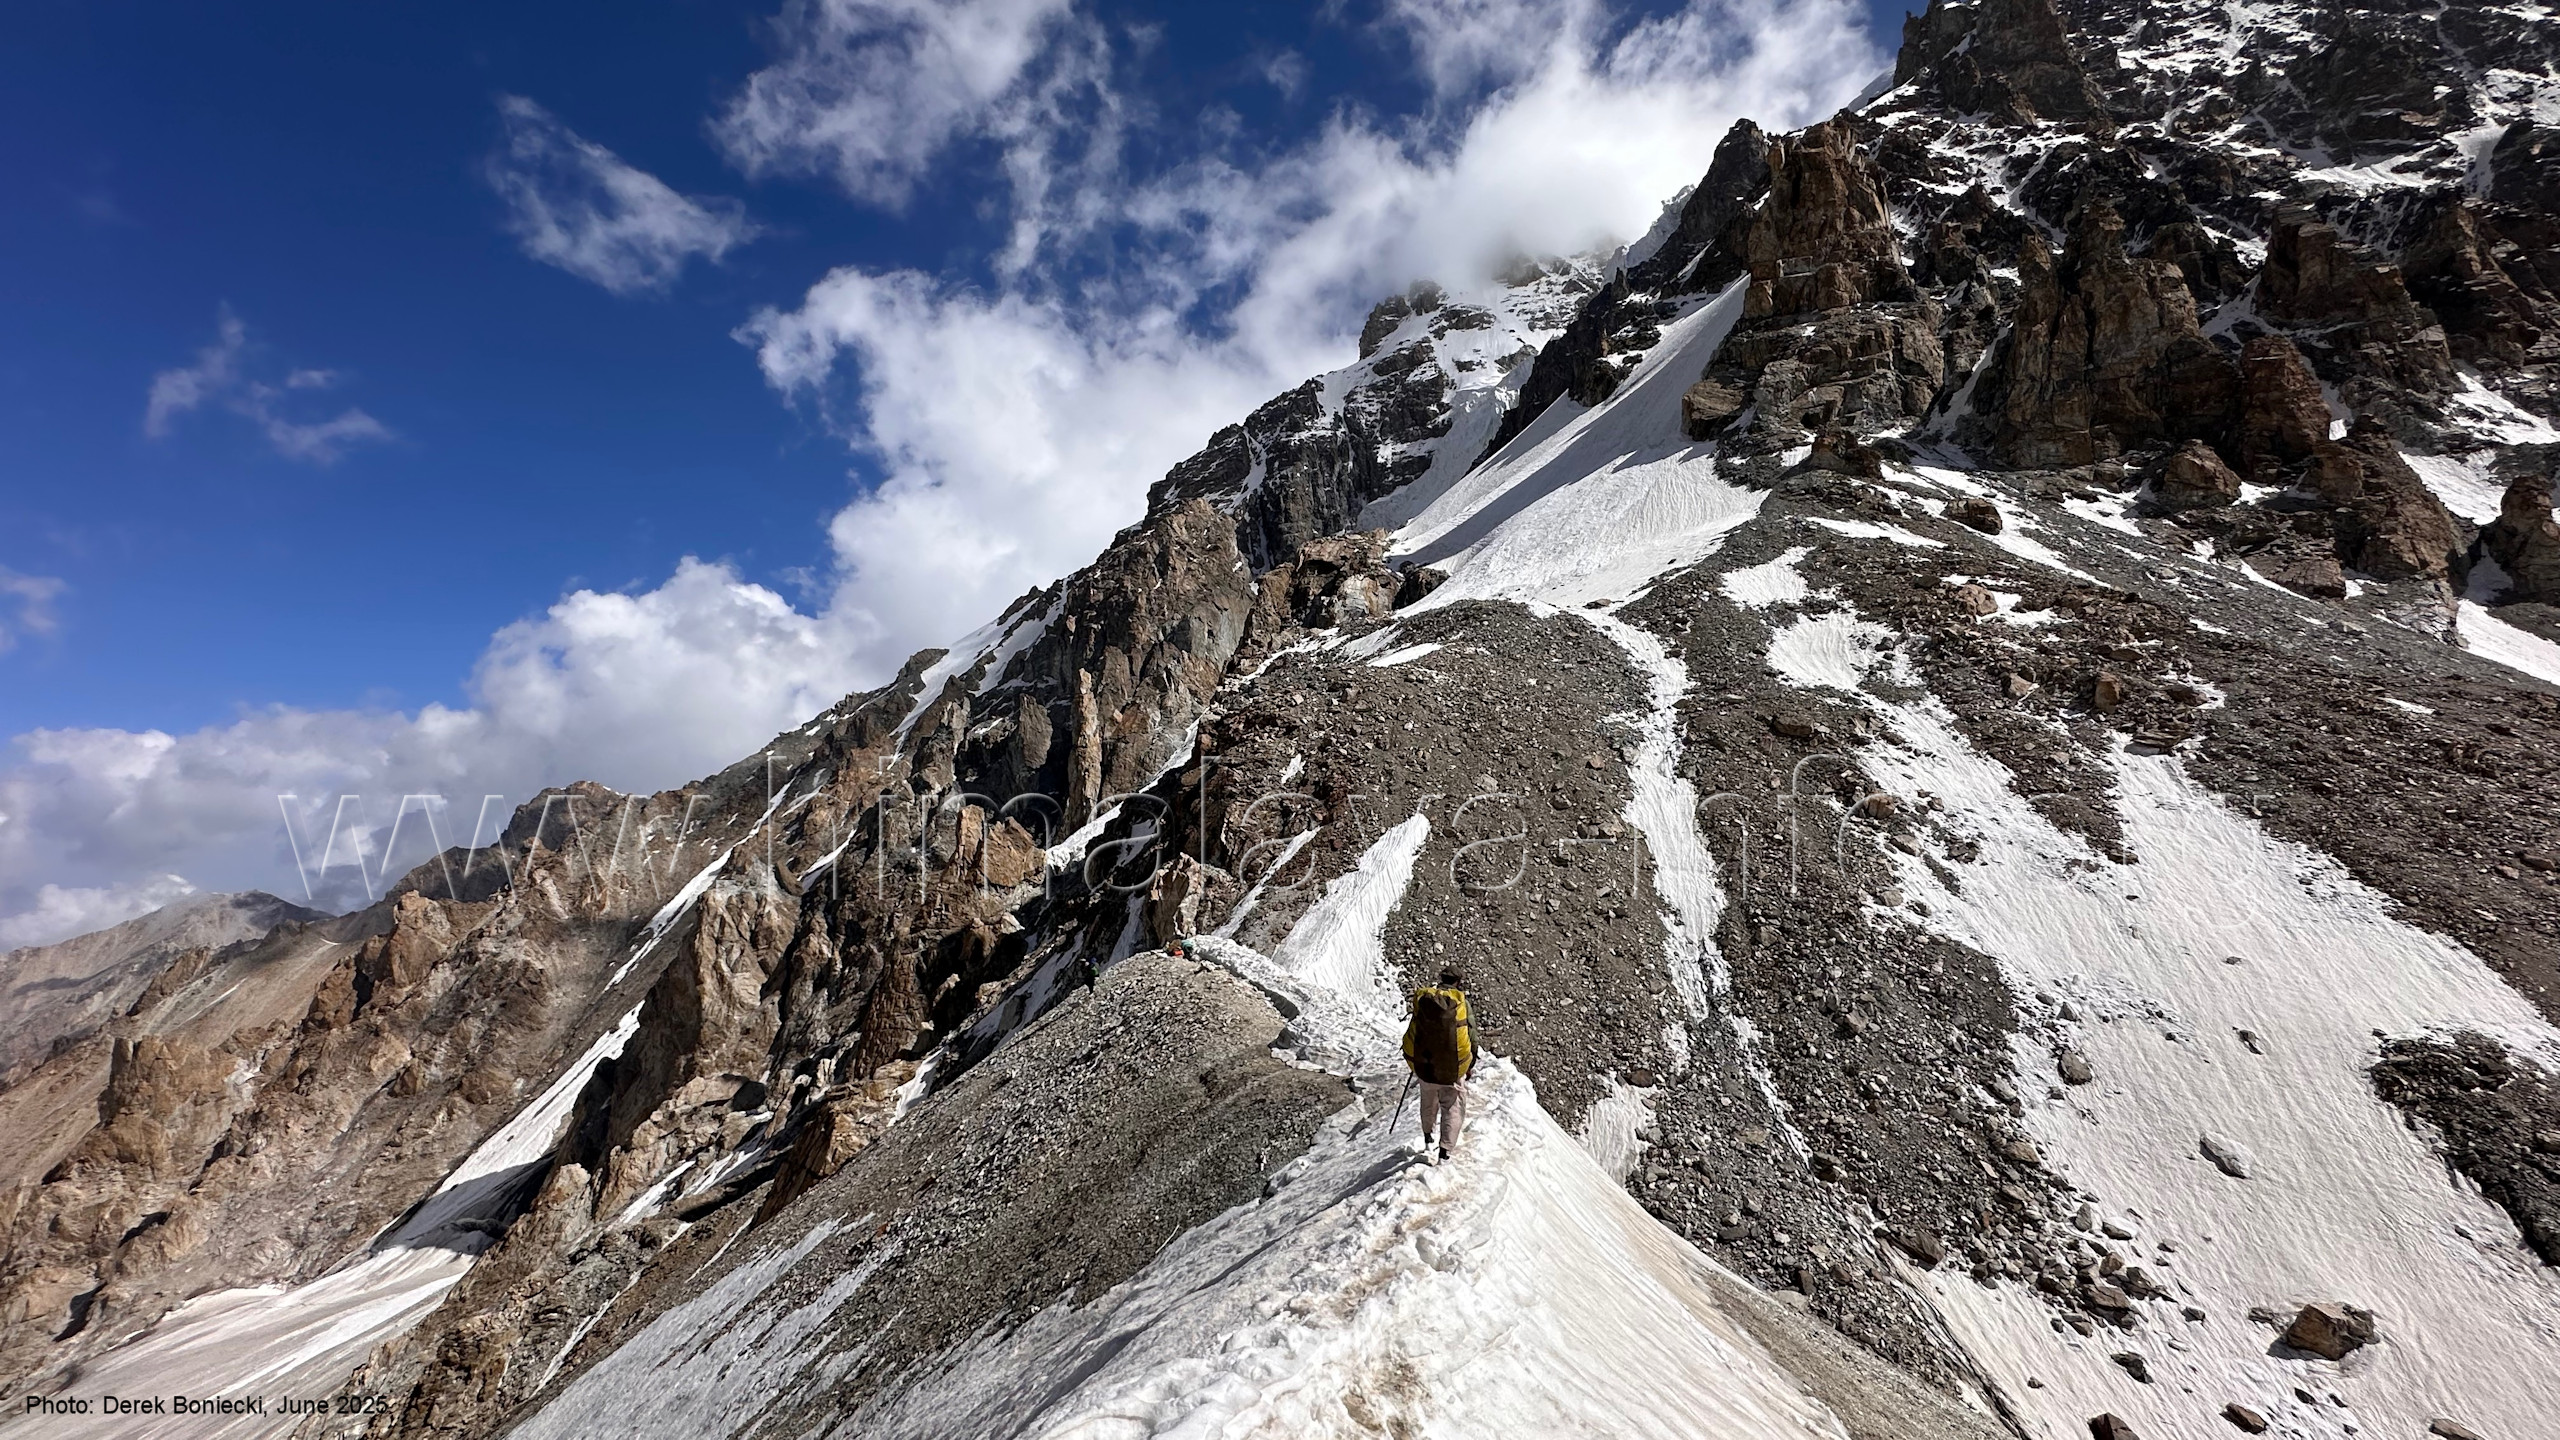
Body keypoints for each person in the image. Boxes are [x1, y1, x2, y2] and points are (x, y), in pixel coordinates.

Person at [1401, 966, 1475, 1160]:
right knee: (1452, 1106)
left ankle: (1427, 1136)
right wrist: (1469, 1063)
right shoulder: (1461, 1004)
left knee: (1428, 1101)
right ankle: (1445, 1150)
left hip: (1426, 1064)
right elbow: (1472, 1035)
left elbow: (1414, 1030)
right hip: (1452, 1067)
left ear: (1441, 978)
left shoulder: (1426, 1000)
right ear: (1458, 982)